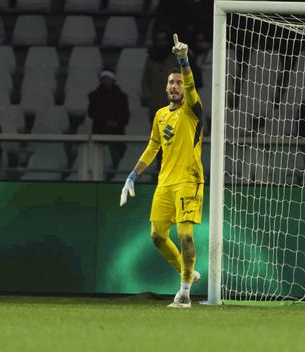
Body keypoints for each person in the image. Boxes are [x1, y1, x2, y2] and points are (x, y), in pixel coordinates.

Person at [120, 34, 204, 308]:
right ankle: (188, 274)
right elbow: (153, 146)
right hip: (165, 183)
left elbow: (191, 84)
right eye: (171, 82)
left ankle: (184, 293)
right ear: (166, 87)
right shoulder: (160, 115)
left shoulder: (193, 109)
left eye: (178, 82)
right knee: (157, 235)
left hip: (189, 181)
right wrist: (133, 175)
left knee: (185, 236)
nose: (175, 86)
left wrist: (184, 62)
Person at [87, 69, 130, 179]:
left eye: (109, 79)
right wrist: (105, 122)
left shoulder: (121, 96)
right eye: (105, 79)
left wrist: (117, 123)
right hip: (100, 132)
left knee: (117, 155)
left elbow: (125, 114)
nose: (107, 81)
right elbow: (92, 112)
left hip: (117, 133)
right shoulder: (94, 96)